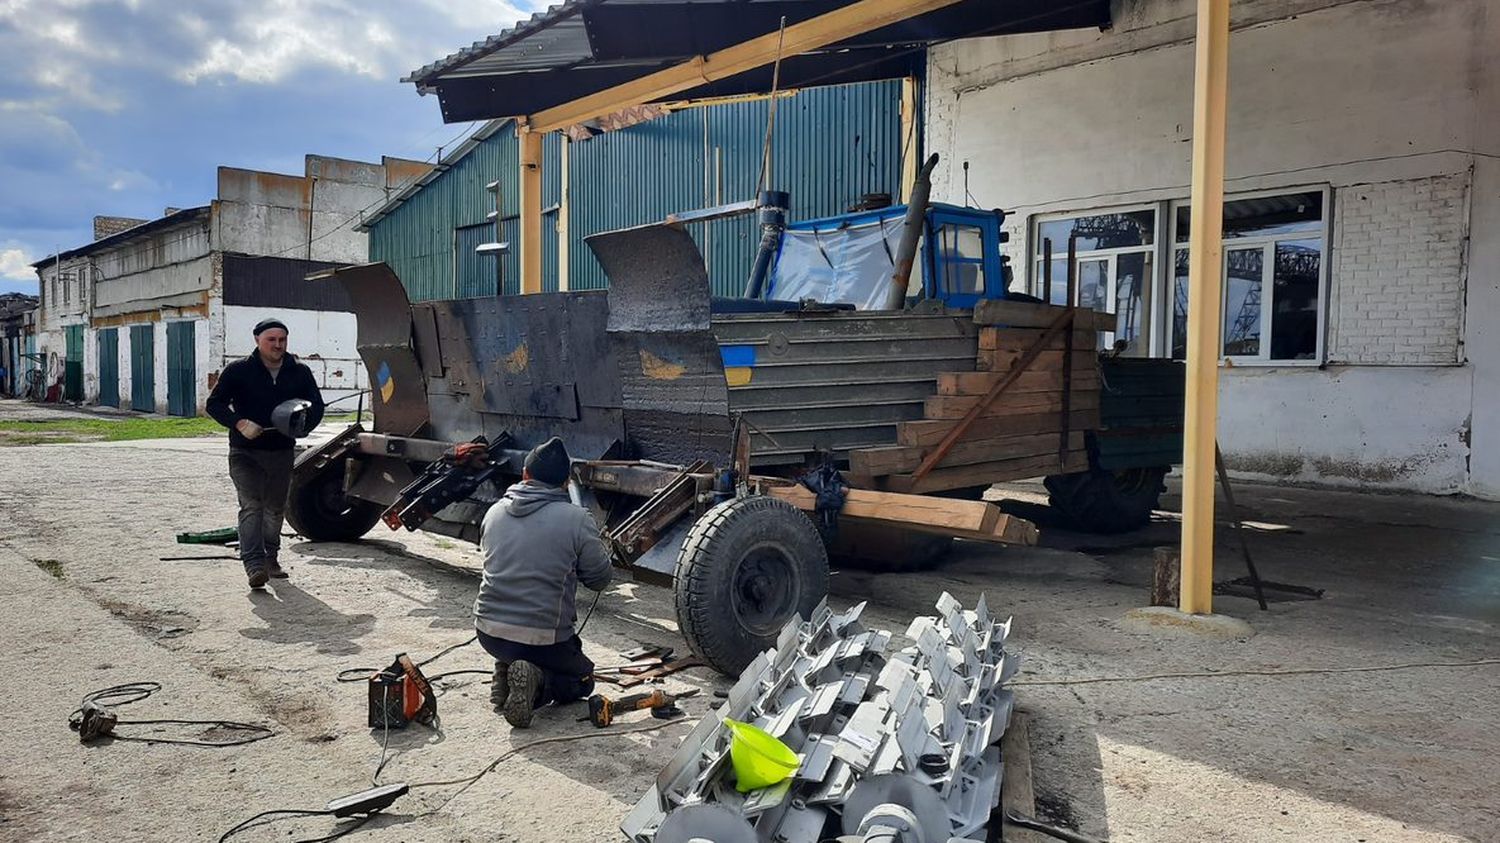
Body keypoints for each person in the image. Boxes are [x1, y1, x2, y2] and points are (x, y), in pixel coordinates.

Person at [474, 437, 612, 728]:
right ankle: (536, 686)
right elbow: (599, 580)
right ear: (565, 483)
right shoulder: (576, 519)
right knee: (583, 680)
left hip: (488, 632)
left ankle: (506, 669)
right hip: (543, 640)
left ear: (525, 475)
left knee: (531, 645)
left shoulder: (493, 512)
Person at [206, 318, 325, 589]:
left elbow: (316, 406)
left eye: (282, 339)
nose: (278, 345)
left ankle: (271, 558)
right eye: (271, 339)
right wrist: (239, 423)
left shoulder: (300, 372)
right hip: (244, 451)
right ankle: (254, 565)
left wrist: (302, 428)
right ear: (257, 340)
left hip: (281, 451)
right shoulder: (238, 371)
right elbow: (214, 404)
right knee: (252, 505)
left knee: (274, 509)